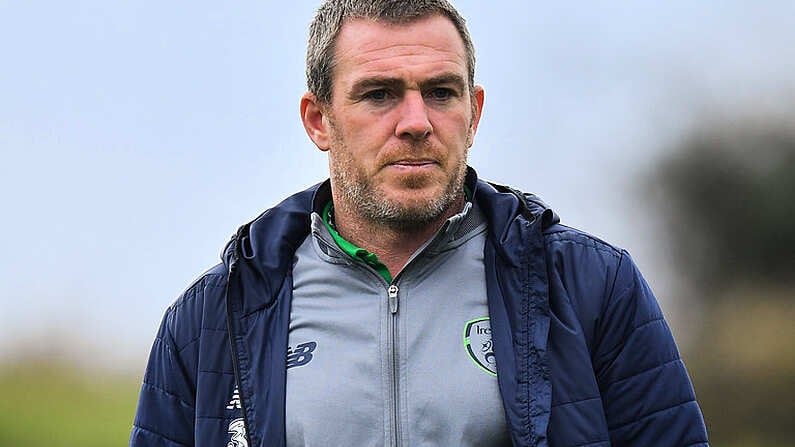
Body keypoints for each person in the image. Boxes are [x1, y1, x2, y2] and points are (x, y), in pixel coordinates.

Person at [130, 1, 709, 446]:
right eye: (379, 94)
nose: (415, 122)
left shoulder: (590, 288)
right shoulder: (214, 318)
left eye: (440, 93)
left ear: (474, 112)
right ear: (319, 120)